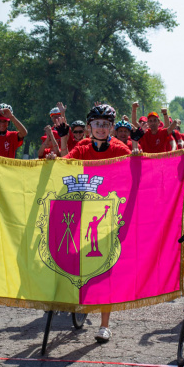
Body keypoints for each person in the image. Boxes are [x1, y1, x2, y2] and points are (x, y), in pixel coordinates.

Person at [48, 104, 136, 343]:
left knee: (105, 266)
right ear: (90, 127)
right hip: (82, 209)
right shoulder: (83, 147)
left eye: (106, 125)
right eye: (97, 124)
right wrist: (54, 158)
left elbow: (134, 172)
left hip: (108, 214)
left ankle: (105, 325)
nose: (101, 128)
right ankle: (74, 296)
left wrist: (137, 157)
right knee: (74, 257)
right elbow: (67, 162)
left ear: (111, 127)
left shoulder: (120, 148)